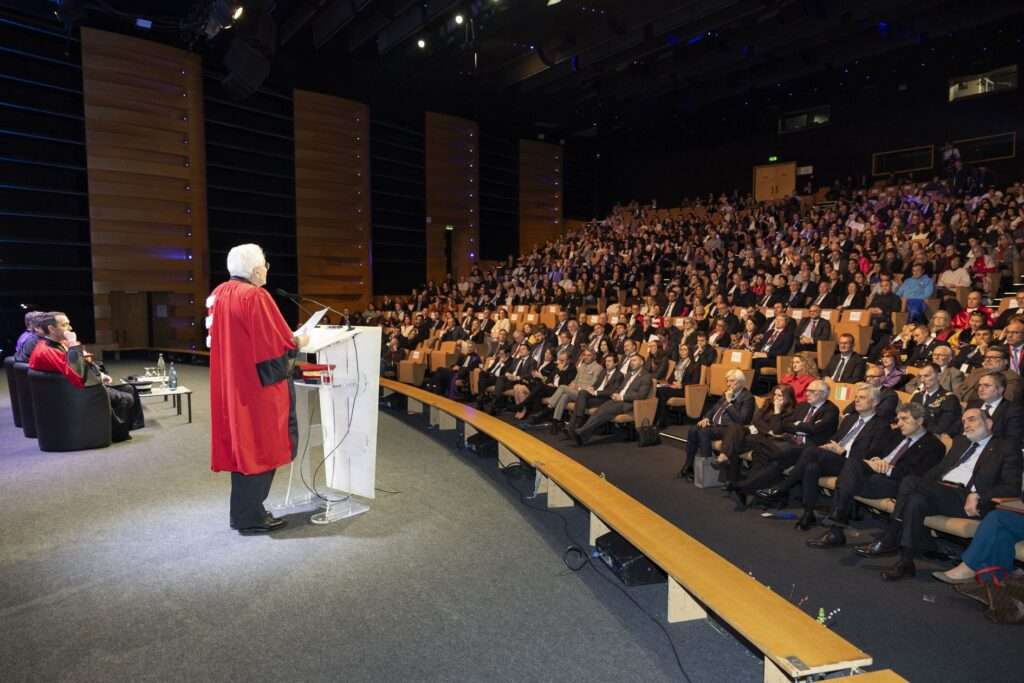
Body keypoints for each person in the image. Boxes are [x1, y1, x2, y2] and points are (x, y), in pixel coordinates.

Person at [207, 244, 308, 535]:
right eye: (265, 264)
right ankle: (251, 517)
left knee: (244, 448)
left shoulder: (220, 293)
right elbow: (278, 343)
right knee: (259, 448)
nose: (267, 269)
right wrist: (300, 341)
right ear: (254, 270)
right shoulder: (255, 295)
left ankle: (242, 514)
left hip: (232, 382)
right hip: (256, 388)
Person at [857, 408, 1023, 581]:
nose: (966, 425)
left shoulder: (1005, 447)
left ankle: (891, 535)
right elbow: (938, 470)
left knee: (911, 482)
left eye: (972, 419)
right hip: (942, 491)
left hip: (968, 500)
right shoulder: (960, 442)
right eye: (964, 421)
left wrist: (978, 493)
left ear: (989, 423)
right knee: (915, 500)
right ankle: (905, 562)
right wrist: (921, 485)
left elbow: (1012, 487)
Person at [806, 402, 945, 548]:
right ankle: (837, 521)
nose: (900, 424)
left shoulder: (934, 446)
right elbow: (873, 451)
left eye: (905, 419)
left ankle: (836, 527)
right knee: (852, 464)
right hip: (874, 473)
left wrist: (888, 469)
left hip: (896, 483)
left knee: (846, 481)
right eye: (898, 419)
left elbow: (917, 476)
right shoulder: (895, 434)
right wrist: (875, 460)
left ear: (920, 421)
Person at [754, 383, 892, 529]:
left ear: (875, 402)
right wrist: (829, 446)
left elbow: (871, 455)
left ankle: (782, 488)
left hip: (853, 465)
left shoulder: (882, 425)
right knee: (811, 467)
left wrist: (843, 452)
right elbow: (835, 438)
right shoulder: (850, 419)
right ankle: (808, 514)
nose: (856, 400)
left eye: (862, 398)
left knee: (811, 451)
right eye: (856, 397)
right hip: (835, 459)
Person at [28, 310, 143, 442]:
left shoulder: (53, 345)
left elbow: (76, 369)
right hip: (75, 394)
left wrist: (99, 374)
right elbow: (78, 376)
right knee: (126, 396)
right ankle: (116, 434)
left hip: (72, 390)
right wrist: (73, 344)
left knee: (128, 388)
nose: (70, 328)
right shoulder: (47, 351)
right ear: (51, 329)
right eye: (65, 325)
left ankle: (127, 427)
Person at [730, 380, 840, 509]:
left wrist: (796, 426)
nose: (807, 394)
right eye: (807, 390)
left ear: (823, 394)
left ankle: (742, 488)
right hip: (789, 442)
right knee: (765, 454)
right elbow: (781, 427)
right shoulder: (803, 406)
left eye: (811, 391)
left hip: (808, 448)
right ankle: (752, 492)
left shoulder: (831, 410)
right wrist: (798, 426)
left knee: (764, 450)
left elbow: (813, 430)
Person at [715, 384, 796, 486]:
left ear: (788, 398)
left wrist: (777, 412)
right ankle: (724, 458)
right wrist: (768, 430)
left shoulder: (791, 412)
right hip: (757, 433)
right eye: (775, 394)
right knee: (734, 428)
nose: (775, 398)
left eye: (779, 396)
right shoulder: (768, 403)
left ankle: (730, 476)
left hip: (766, 441)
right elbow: (756, 420)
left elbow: (776, 431)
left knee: (734, 443)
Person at [681, 368, 755, 479]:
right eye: (727, 381)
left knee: (703, 431)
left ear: (740, 382)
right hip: (716, 425)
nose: (728, 384)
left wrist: (729, 403)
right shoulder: (727, 393)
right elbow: (714, 408)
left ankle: (708, 468)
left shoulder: (748, 397)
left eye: (731, 381)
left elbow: (742, 420)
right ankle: (689, 465)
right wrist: (706, 418)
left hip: (730, 429)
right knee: (693, 429)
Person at [569, 355, 652, 446]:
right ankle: (583, 435)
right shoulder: (629, 374)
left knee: (604, 411)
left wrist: (622, 397)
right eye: (631, 361)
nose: (632, 363)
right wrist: (615, 394)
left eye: (635, 360)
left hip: (628, 403)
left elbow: (641, 395)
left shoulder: (646, 376)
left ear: (641, 362)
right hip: (617, 399)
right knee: (600, 410)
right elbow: (620, 388)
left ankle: (581, 431)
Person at [909, 363, 963, 436]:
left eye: (926, 376)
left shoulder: (949, 399)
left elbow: (941, 428)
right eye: (920, 377)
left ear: (939, 376)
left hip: (932, 438)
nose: (922, 380)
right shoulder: (917, 396)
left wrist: (917, 427)